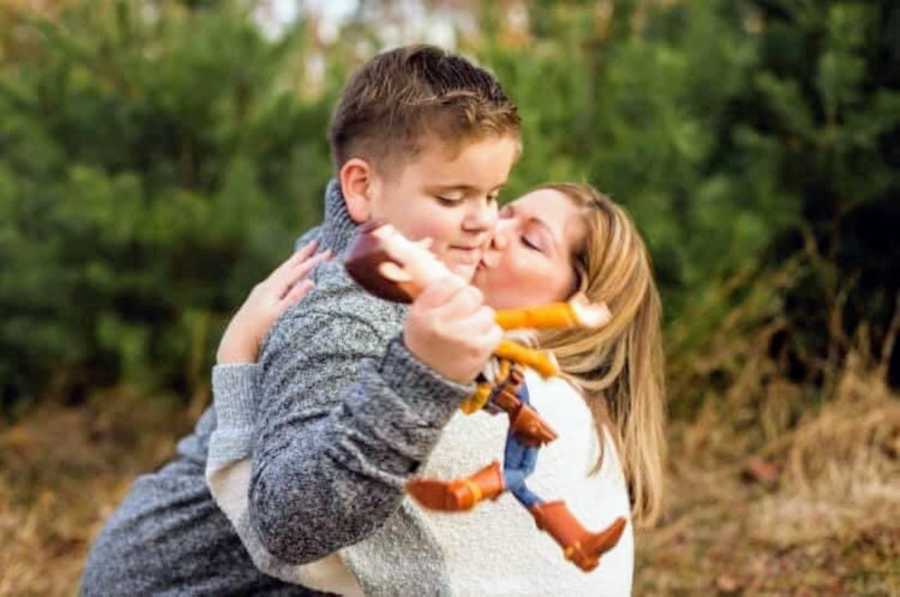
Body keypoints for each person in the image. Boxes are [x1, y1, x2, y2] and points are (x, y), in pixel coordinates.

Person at [80, 44, 519, 596]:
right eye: (453, 197)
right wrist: (420, 378)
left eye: (494, 194)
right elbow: (293, 524)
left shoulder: (388, 268)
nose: (484, 221)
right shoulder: (337, 314)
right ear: (363, 188)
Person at [208, 183, 665, 595]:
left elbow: (286, 537)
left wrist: (237, 352)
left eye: (529, 240)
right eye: (505, 211)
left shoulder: (498, 388)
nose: (491, 228)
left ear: (576, 299)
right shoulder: (577, 411)